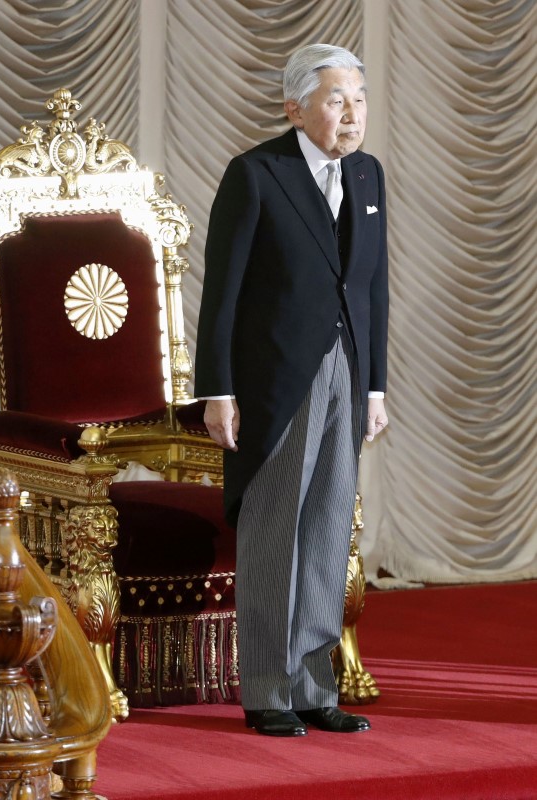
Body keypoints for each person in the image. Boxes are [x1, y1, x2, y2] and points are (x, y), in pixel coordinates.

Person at [194, 43, 389, 737]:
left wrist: (375, 388)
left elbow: (372, 290)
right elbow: (221, 294)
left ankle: (312, 685)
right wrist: (217, 389)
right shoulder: (256, 174)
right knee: (276, 529)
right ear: (295, 106)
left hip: (348, 370)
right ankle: (267, 692)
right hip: (275, 379)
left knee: (329, 526)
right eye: (336, 99)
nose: (350, 113)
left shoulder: (366, 176)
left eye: (358, 99)